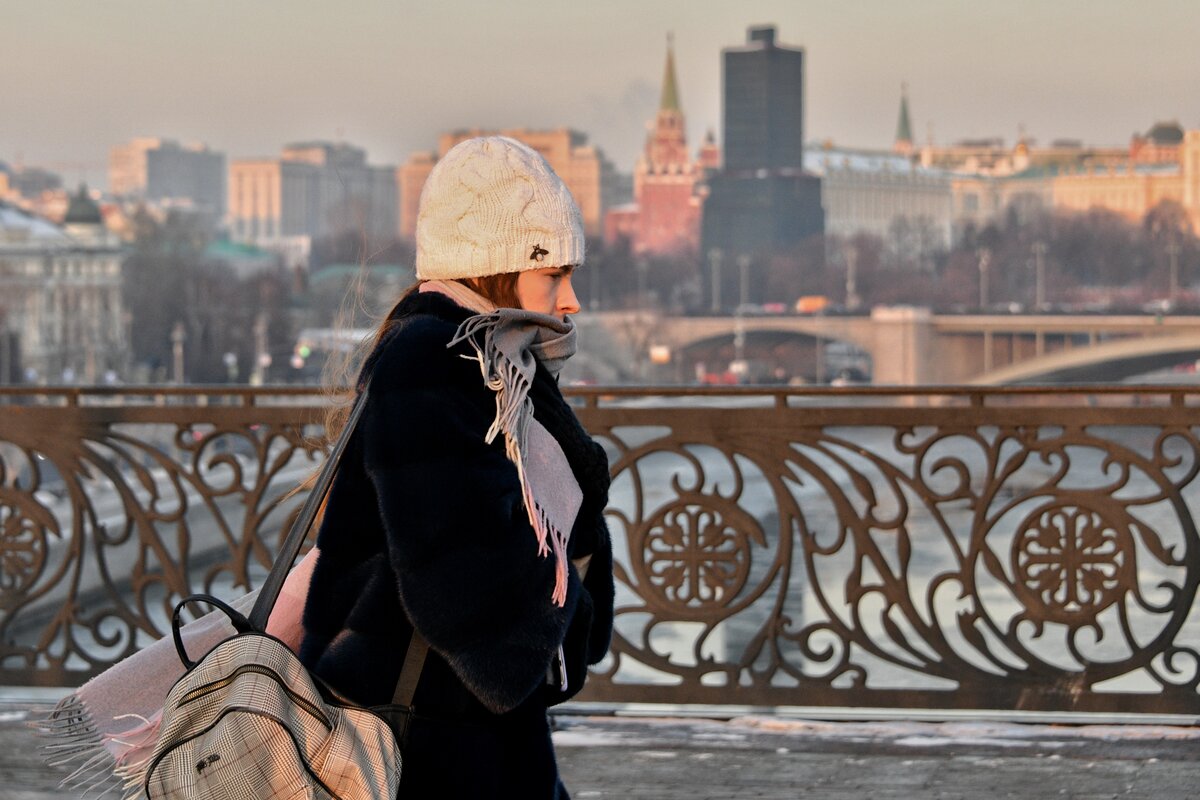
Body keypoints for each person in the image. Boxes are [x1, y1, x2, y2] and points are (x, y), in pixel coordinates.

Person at [298, 136, 614, 799]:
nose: (571, 300)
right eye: (555, 274)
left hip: (456, 716)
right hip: (423, 722)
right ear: (500, 266)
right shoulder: (432, 360)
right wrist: (546, 635)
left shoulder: (496, 363)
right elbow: (459, 581)